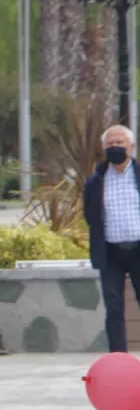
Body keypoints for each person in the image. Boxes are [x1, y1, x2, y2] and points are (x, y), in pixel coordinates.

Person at [84, 124, 140, 352]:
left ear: (131, 147)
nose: (115, 147)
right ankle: (119, 359)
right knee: (114, 307)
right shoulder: (96, 180)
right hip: (110, 253)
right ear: (103, 147)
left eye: (120, 143)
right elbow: (90, 214)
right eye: (110, 144)